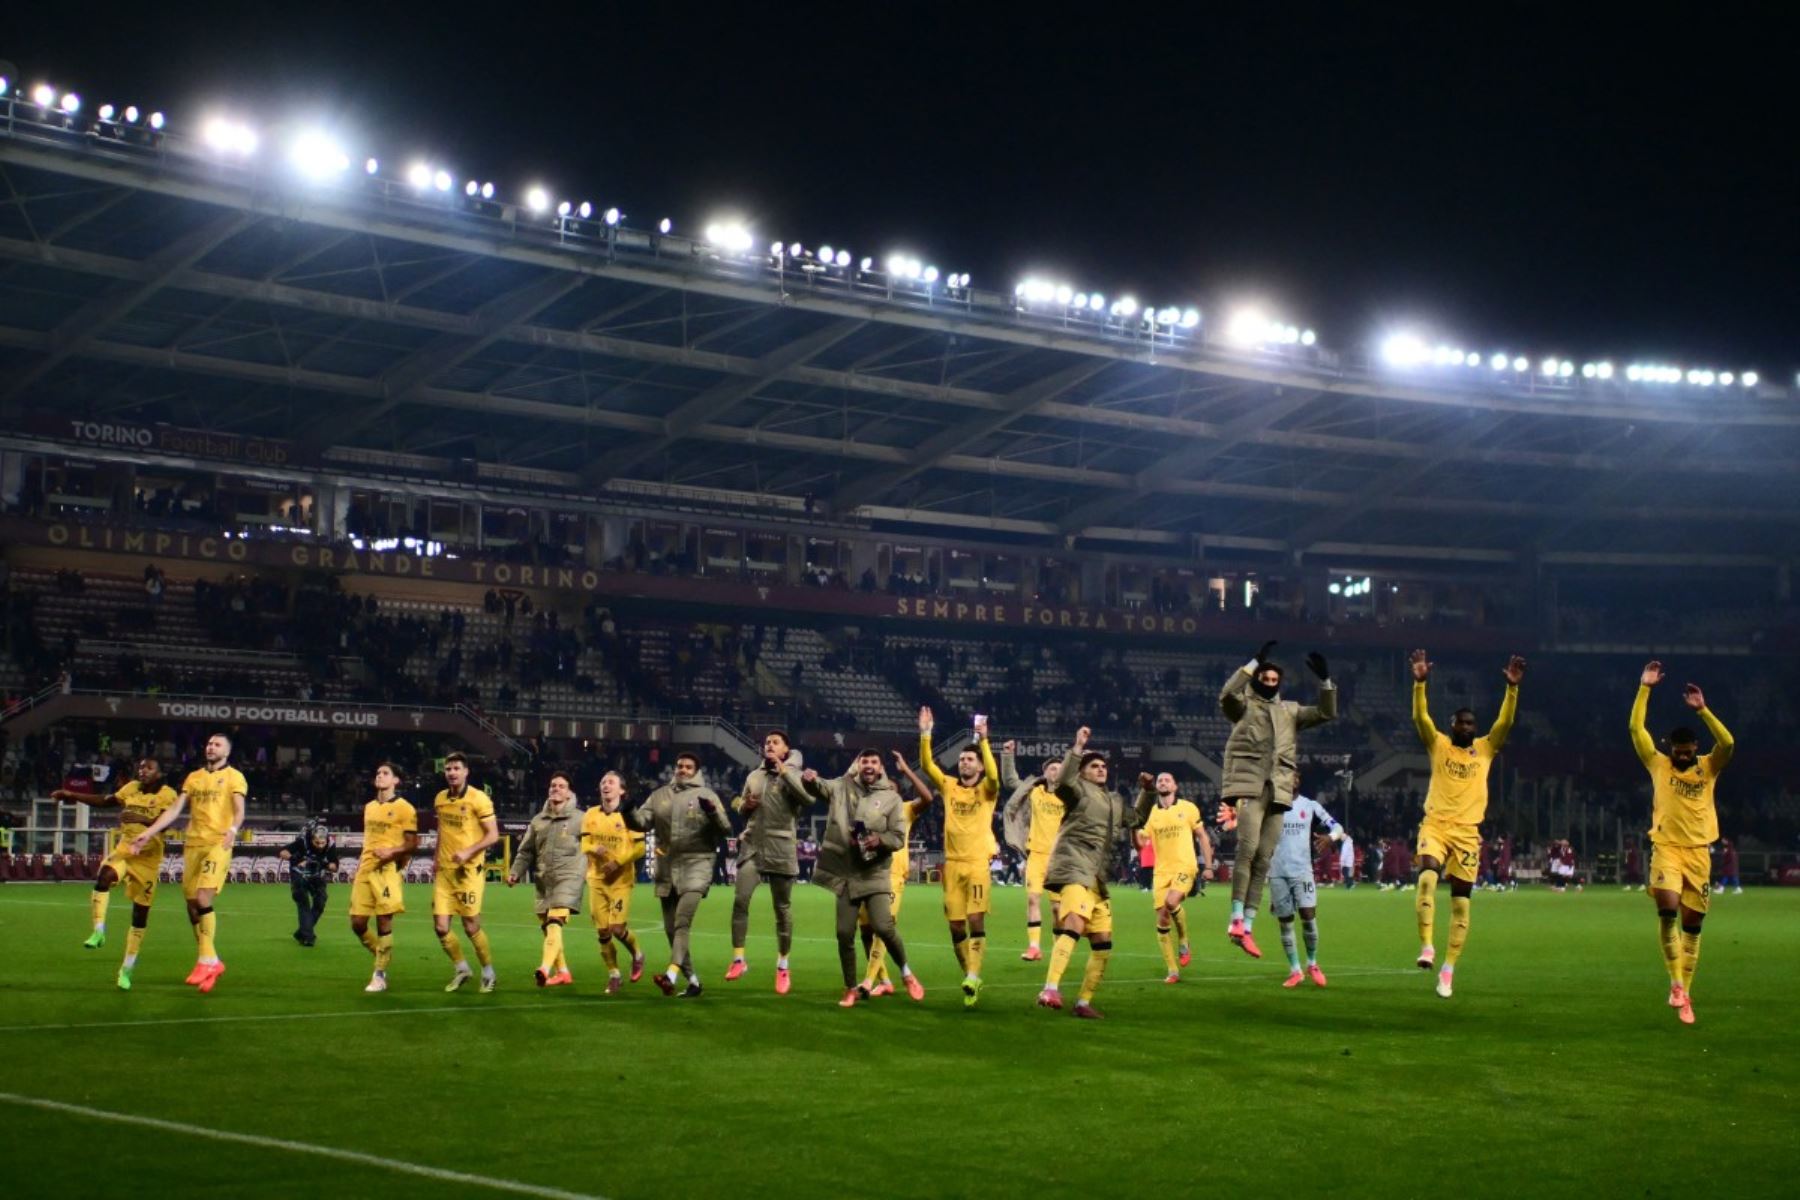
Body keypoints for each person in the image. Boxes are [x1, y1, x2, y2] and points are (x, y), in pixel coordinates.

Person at [1410, 649, 1524, 999]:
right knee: (1427, 876)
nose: (1466, 728)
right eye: (1461, 723)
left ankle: (1448, 969)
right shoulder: (1439, 744)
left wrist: (1512, 690)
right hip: (1436, 825)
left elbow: (1504, 725)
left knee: (1461, 903)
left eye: (1471, 725)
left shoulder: (1485, 749)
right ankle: (1427, 947)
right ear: (1452, 725)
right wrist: (1420, 683)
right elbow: (1420, 719)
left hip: (1467, 834)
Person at [1630, 661, 1734, 1026]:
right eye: (1680, 750)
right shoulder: (1659, 765)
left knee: (1692, 927)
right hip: (1666, 849)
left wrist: (1704, 710)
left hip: (1698, 854)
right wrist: (1645, 689)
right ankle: (1675, 983)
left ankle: (1684, 991)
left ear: (1695, 749)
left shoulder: (1709, 767)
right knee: (1667, 909)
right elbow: (1635, 729)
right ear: (1671, 748)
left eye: (1689, 750)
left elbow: (1729, 742)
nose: (1684, 755)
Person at [1219, 641, 1337, 958]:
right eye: (1265, 679)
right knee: (1247, 849)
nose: (1269, 684)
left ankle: (1247, 926)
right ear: (1258, 679)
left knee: (1264, 858)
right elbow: (1226, 695)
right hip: (1250, 785)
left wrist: (1325, 682)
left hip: (1279, 789)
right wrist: (1253, 661)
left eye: (1274, 680)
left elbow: (1327, 712)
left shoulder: (1290, 711)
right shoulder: (1243, 705)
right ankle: (1234, 918)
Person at [1035, 727, 1151, 1019]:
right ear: (1083, 773)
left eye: (1103, 766)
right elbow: (1061, 781)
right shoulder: (1076, 790)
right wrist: (1077, 748)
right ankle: (1049, 988)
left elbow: (1136, 818)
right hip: (1074, 865)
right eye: (1094, 766)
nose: (1100, 769)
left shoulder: (1113, 800)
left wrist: (1147, 792)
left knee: (1103, 943)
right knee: (1074, 922)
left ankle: (1083, 1002)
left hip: (1098, 876)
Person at [801, 750, 925, 1007]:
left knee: (883, 926)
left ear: (880, 769)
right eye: (864, 761)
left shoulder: (891, 798)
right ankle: (850, 988)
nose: (869, 766)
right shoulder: (842, 787)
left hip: (875, 873)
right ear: (858, 765)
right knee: (844, 933)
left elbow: (898, 837)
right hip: (846, 873)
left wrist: (879, 840)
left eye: (874, 762)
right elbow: (822, 787)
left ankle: (906, 973)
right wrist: (811, 779)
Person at [126, 732, 247, 994]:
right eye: (209, 743)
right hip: (192, 844)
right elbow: (174, 810)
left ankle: (206, 960)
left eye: (217, 744)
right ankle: (210, 960)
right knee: (192, 905)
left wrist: (233, 830)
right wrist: (148, 832)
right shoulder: (194, 777)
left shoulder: (235, 777)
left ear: (226, 752)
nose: (211, 747)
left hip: (218, 843)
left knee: (204, 897)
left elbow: (239, 809)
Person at [53, 757, 178, 990]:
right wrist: (73, 795)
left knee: (139, 917)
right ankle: (99, 931)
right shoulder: (130, 788)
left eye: (149, 767)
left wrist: (143, 819)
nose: (143, 770)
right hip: (125, 851)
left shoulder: (168, 794)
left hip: (148, 861)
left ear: (159, 773)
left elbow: (168, 823)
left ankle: (126, 970)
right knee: (104, 877)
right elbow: (105, 800)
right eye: (140, 766)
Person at [624, 752, 731, 997]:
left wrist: (713, 812)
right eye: (679, 765)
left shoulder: (707, 795)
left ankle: (670, 974)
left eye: (688, 766)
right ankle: (693, 980)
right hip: (667, 866)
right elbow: (642, 823)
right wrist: (628, 811)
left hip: (698, 864)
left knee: (682, 922)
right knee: (672, 930)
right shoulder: (659, 795)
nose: (682, 769)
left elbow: (726, 829)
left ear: (696, 771)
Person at [918, 706, 999, 1007]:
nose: (964, 762)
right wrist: (926, 733)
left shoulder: (987, 791)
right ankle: (971, 975)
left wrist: (985, 742)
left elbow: (993, 774)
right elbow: (927, 765)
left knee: (975, 919)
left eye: (969, 759)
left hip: (977, 864)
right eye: (962, 759)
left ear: (978, 765)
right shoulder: (949, 786)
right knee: (955, 926)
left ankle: (974, 974)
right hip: (952, 866)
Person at [726, 731, 813, 993]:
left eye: (775, 742)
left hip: (781, 847)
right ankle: (739, 959)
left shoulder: (794, 774)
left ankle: (783, 964)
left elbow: (807, 800)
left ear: (786, 749)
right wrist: (745, 805)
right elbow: (740, 806)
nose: (769, 745)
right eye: (766, 742)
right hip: (753, 845)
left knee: (782, 909)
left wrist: (784, 771)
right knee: (740, 900)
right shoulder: (754, 776)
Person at [863, 751, 935, 996]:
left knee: (883, 927)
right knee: (864, 930)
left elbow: (927, 797)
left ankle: (867, 981)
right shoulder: (870, 809)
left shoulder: (905, 809)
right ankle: (884, 981)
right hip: (868, 874)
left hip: (893, 877)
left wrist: (906, 771)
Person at [507, 771, 586, 988]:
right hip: (544, 880)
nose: (556, 789)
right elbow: (526, 852)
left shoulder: (581, 819)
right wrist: (515, 871)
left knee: (554, 922)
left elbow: (595, 845)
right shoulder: (538, 821)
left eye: (561, 786)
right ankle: (563, 972)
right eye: (553, 785)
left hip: (569, 878)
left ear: (569, 792)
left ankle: (544, 968)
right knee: (549, 927)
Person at [433, 752, 501, 993]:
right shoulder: (440, 798)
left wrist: (468, 852)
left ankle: (488, 972)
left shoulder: (478, 799)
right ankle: (462, 968)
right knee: (441, 926)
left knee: (471, 926)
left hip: (469, 871)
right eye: (448, 768)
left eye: (456, 768)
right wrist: (435, 858)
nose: (452, 772)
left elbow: (493, 835)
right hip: (445, 871)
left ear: (466, 772)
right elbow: (442, 828)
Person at [349, 763, 418, 993]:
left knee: (383, 922)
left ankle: (379, 974)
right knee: (357, 923)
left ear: (396, 780)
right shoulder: (369, 807)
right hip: (366, 870)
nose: (379, 776)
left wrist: (391, 852)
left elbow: (412, 843)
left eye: (385, 773)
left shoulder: (405, 808)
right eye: (378, 773)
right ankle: (383, 953)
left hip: (387, 871)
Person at [1137, 772, 1211, 983]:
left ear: (1175, 786)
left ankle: (1184, 940)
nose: (1162, 782)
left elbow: (1202, 836)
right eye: (1159, 780)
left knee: (1171, 902)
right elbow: (1142, 840)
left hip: (1185, 866)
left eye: (1167, 780)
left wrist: (1208, 866)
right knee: (1161, 919)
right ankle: (1172, 970)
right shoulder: (1152, 813)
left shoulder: (1188, 808)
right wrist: (1134, 829)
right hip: (1161, 872)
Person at [1268, 791, 1344, 988]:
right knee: (1285, 923)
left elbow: (1337, 826)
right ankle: (1295, 970)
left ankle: (1312, 964)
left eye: (1295, 775)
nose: (1291, 779)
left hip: (1302, 871)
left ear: (1299, 780)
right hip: (1277, 872)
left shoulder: (1310, 805)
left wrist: (1331, 837)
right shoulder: (1271, 805)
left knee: (1309, 918)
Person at [582, 771, 647, 994]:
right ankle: (614, 975)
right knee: (603, 932)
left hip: (621, 880)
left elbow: (640, 847)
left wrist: (618, 862)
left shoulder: (630, 815)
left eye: (611, 782)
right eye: (602, 782)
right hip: (596, 880)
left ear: (622, 790)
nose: (605, 785)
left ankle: (637, 954)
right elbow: (584, 844)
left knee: (617, 928)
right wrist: (593, 848)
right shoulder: (590, 814)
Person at [1000, 742, 1064, 961]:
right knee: (1033, 900)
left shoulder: (1070, 796)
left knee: (1057, 909)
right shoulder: (1034, 791)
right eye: (1052, 768)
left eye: (1060, 768)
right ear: (1044, 773)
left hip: (1059, 859)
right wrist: (1008, 755)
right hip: (1036, 854)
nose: (1056, 771)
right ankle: (1034, 947)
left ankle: (1058, 950)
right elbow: (1010, 782)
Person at [278, 819, 340, 948]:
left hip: (317, 874)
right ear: (311, 838)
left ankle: (302, 932)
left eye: (323, 843)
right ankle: (308, 937)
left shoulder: (330, 844)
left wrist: (323, 863)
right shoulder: (303, 841)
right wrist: (296, 859)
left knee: (320, 902)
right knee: (303, 901)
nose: (320, 845)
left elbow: (334, 866)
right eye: (317, 842)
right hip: (299, 873)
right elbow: (283, 852)